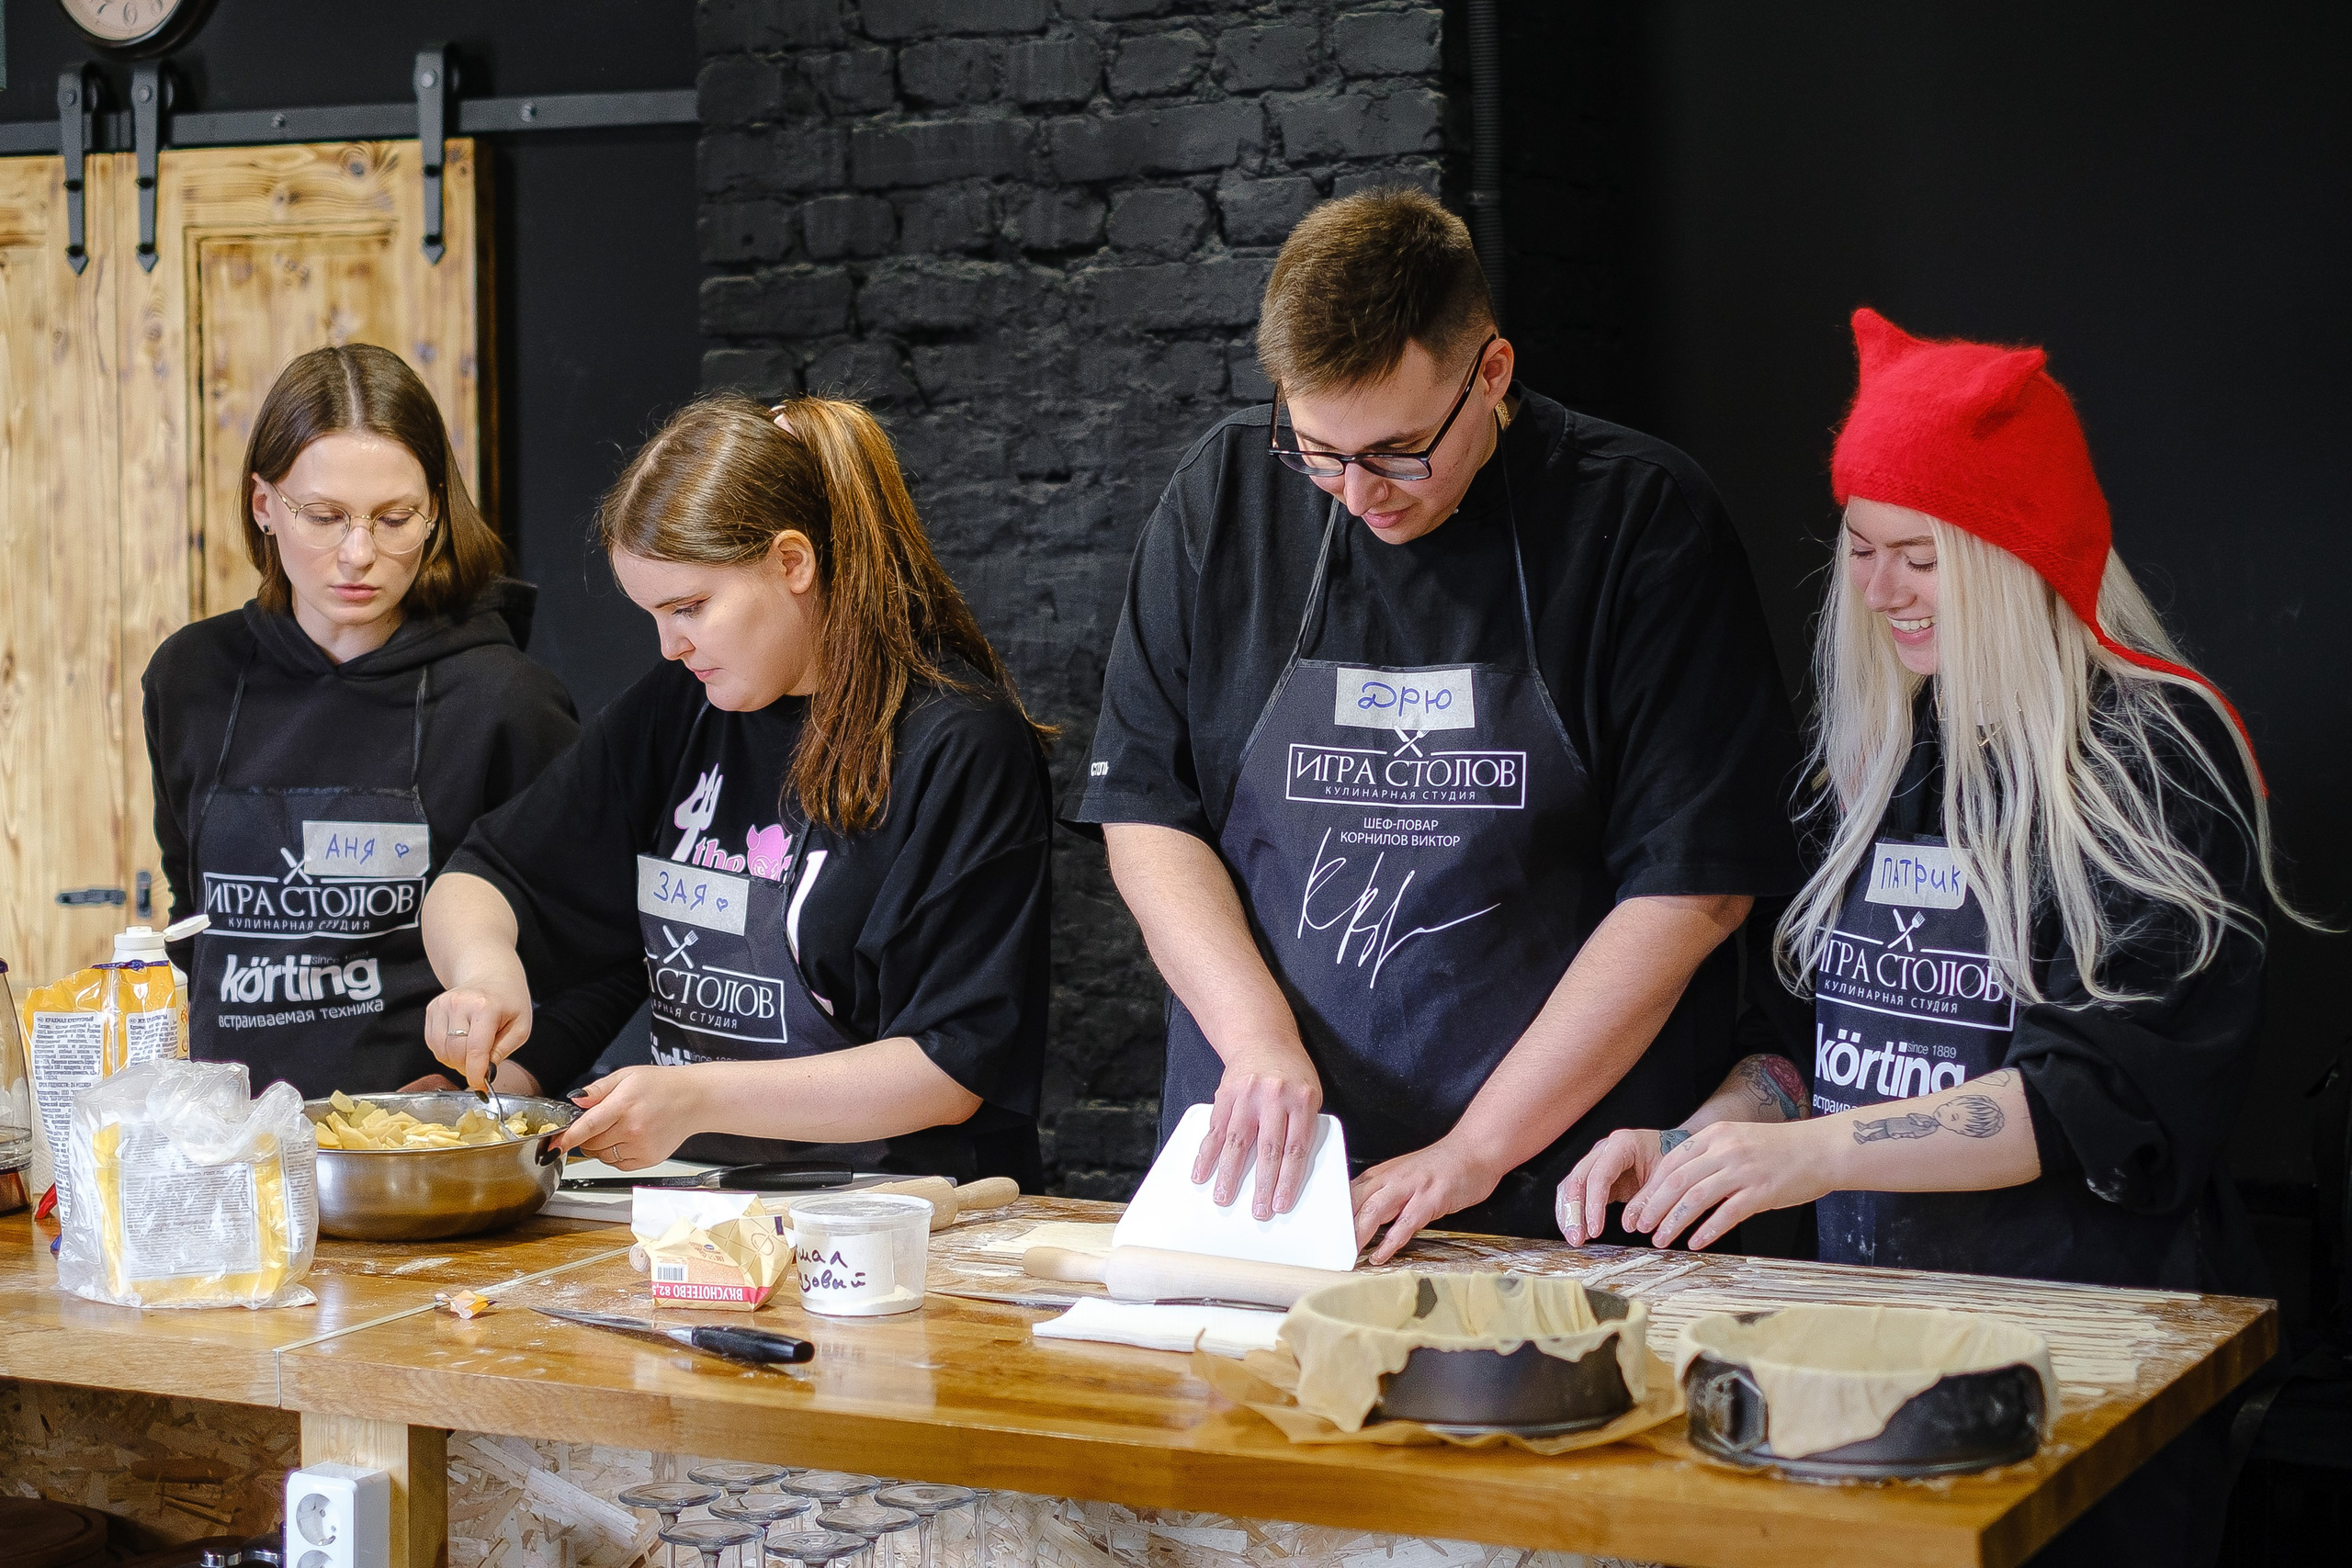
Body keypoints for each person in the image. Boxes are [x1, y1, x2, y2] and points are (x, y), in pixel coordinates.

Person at [1560, 308, 2319, 1566]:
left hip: (2086, 1365)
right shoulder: (1871, 754)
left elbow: (2104, 1100)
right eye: (1860, 547)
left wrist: (1814, 1155)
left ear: (2012, 551)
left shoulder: (2156, 758)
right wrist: (1711, 1134)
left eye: (1919, 554)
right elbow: (1806, 1040)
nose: (1878, 589)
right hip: (1863, 1350)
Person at [1070, 186, 1804, 1258]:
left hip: (1559, 1201)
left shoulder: (1641, 523)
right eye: (1318, 450)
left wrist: (1475, 1150)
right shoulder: (1221, 500)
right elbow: (1146, 812)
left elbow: (1693, 891)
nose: (1358, 494)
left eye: (1399, 451)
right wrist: (1258, 1038)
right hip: (1276, 1195)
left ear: (1492, 374)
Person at [420, 394, 1054, 1182]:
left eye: (689, 608)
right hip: (703, 1204)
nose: (669, 644)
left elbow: (947, 1069)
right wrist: (484, 973)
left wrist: (694, 1098)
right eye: (654, 613)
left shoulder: (960, 745)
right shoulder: (682, 704)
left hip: (900, 1215)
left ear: (793, 563)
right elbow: (483, 877)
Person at [143, 344, 613, 1098]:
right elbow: (194, 925)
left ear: (434, 510)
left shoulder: (505, 702)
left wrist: (499, 1087)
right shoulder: (191, 678)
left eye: (395, 518)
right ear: (265, 506)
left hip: (414, 1164)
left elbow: (605, 952)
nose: (358, 553)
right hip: (231, 1156)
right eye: (324, 516)